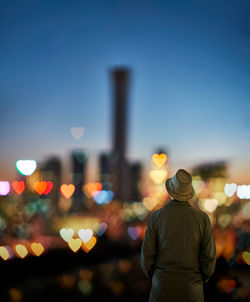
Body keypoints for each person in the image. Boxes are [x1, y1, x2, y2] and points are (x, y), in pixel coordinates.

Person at [140, 169, 216, 302]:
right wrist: (199, 279)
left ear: (170, 192)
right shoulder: (202, 218)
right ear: (189, 193)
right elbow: (209, 257)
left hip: (162, 289)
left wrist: (157, 277)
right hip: (192, 291)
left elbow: (146, 256)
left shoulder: (156, 217)